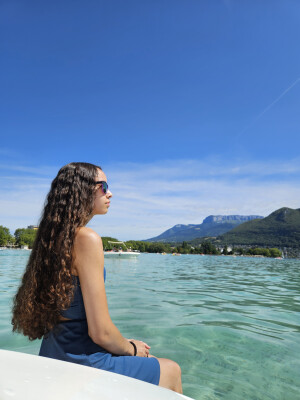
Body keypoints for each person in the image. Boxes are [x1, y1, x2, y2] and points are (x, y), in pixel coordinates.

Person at [12, 162, 182, 394]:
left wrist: (123, 344)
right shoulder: (87, 239)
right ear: (82, 190)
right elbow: (100, 332)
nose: (110, 193)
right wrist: (132, 348)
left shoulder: (52, 241)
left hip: (54, 352)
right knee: (171, 370)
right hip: (81, 360)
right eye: (104, 186)